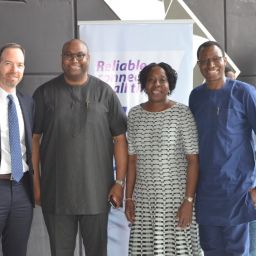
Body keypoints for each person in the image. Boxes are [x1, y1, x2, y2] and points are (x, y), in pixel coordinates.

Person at [32, 39, 127, 256]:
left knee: (97, 252)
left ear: (88, 58)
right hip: (56, 194)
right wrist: (36, 183)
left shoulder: (105, 93)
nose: (74, 60)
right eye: (68, 55)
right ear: (61, 59)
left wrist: (119, 183)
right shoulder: (45, 93)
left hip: (96, 193)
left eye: (80, 55)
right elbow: (34, 139)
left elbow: (120, 139)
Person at [125, 62, 202, 255]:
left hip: (176, 201)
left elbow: (193, 160)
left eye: (162, 80)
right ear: (144, 84)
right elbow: (132, 161)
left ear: (170, 85)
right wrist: (129, 197)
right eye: (150, 80)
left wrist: (189, 201)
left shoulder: (182, 113)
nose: (156, 84)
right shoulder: (134, 114)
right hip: (144, 201)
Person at [189, 40, 256, 256]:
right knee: (211, 251)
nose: (210, 65)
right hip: (207, 194)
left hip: (238, 192)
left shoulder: (244, 92)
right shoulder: (196, 96)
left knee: (237, 252)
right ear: (199, 65)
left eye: (215, 59)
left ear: (224, 61)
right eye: (204, 61)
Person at [0, 43, 34, 256]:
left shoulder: (28, 102)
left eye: (20, 65)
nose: (15, 70)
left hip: (22, 189)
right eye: (8, 63)